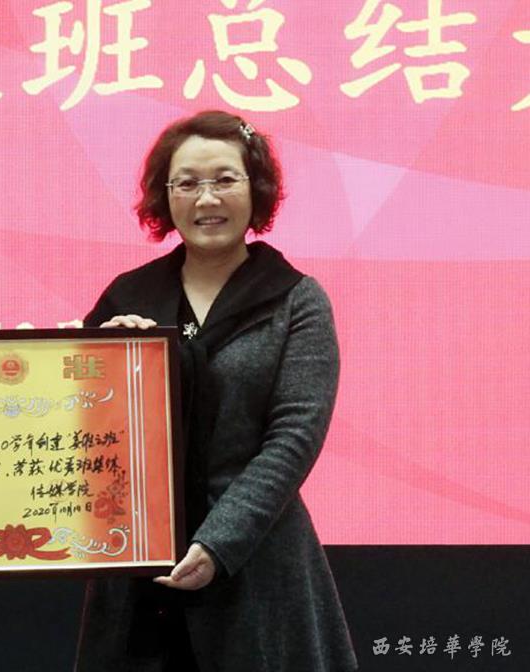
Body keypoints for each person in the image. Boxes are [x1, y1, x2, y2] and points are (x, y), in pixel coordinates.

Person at [75, 110, 358, 671]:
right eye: (187, 183)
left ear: (257, 188)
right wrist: (109, 368)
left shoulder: (296, 300)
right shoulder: (126, 298)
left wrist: (219, 542)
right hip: (137, 575)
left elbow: (294, 438)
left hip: (257, 565)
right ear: (165, 196)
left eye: (225, 179)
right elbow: (83, 433)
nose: (207, 199)